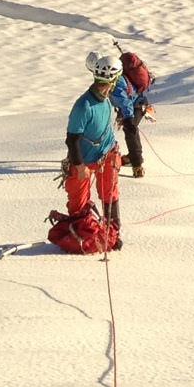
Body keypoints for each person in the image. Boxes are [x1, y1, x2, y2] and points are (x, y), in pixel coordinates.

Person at [64, 50, 124, 248]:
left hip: (107, 153)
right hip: (84, 158)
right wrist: (79, 165)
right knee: (78, 199)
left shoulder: (105, 98)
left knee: (109, 192)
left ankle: (113, 233)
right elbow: (72, 139)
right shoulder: (83, 106)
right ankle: (81, 233)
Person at [108, 58, 153, 177]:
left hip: (136, 105)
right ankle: (133, 158)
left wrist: (128, 118)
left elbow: (125, 102)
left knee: (130, 130)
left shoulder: (115, 83)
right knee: (130, 129)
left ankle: (137, 163)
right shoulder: (117, 78)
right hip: (139, 103)